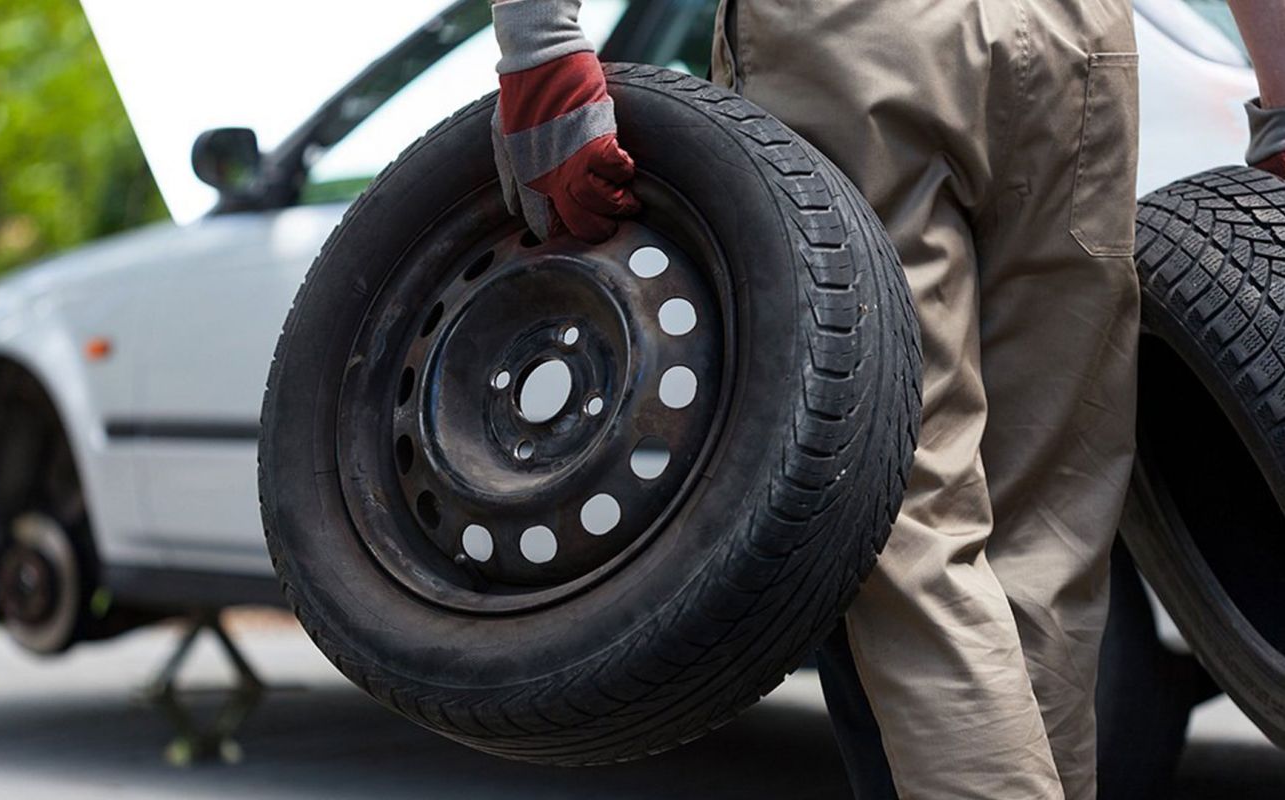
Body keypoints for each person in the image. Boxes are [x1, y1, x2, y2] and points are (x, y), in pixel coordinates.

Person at [487, 0, 1285, 797]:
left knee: (897, 517)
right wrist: (1280, 89)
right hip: (1075, 36)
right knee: (1048, 528)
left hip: (858, 41)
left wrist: (541, 48)